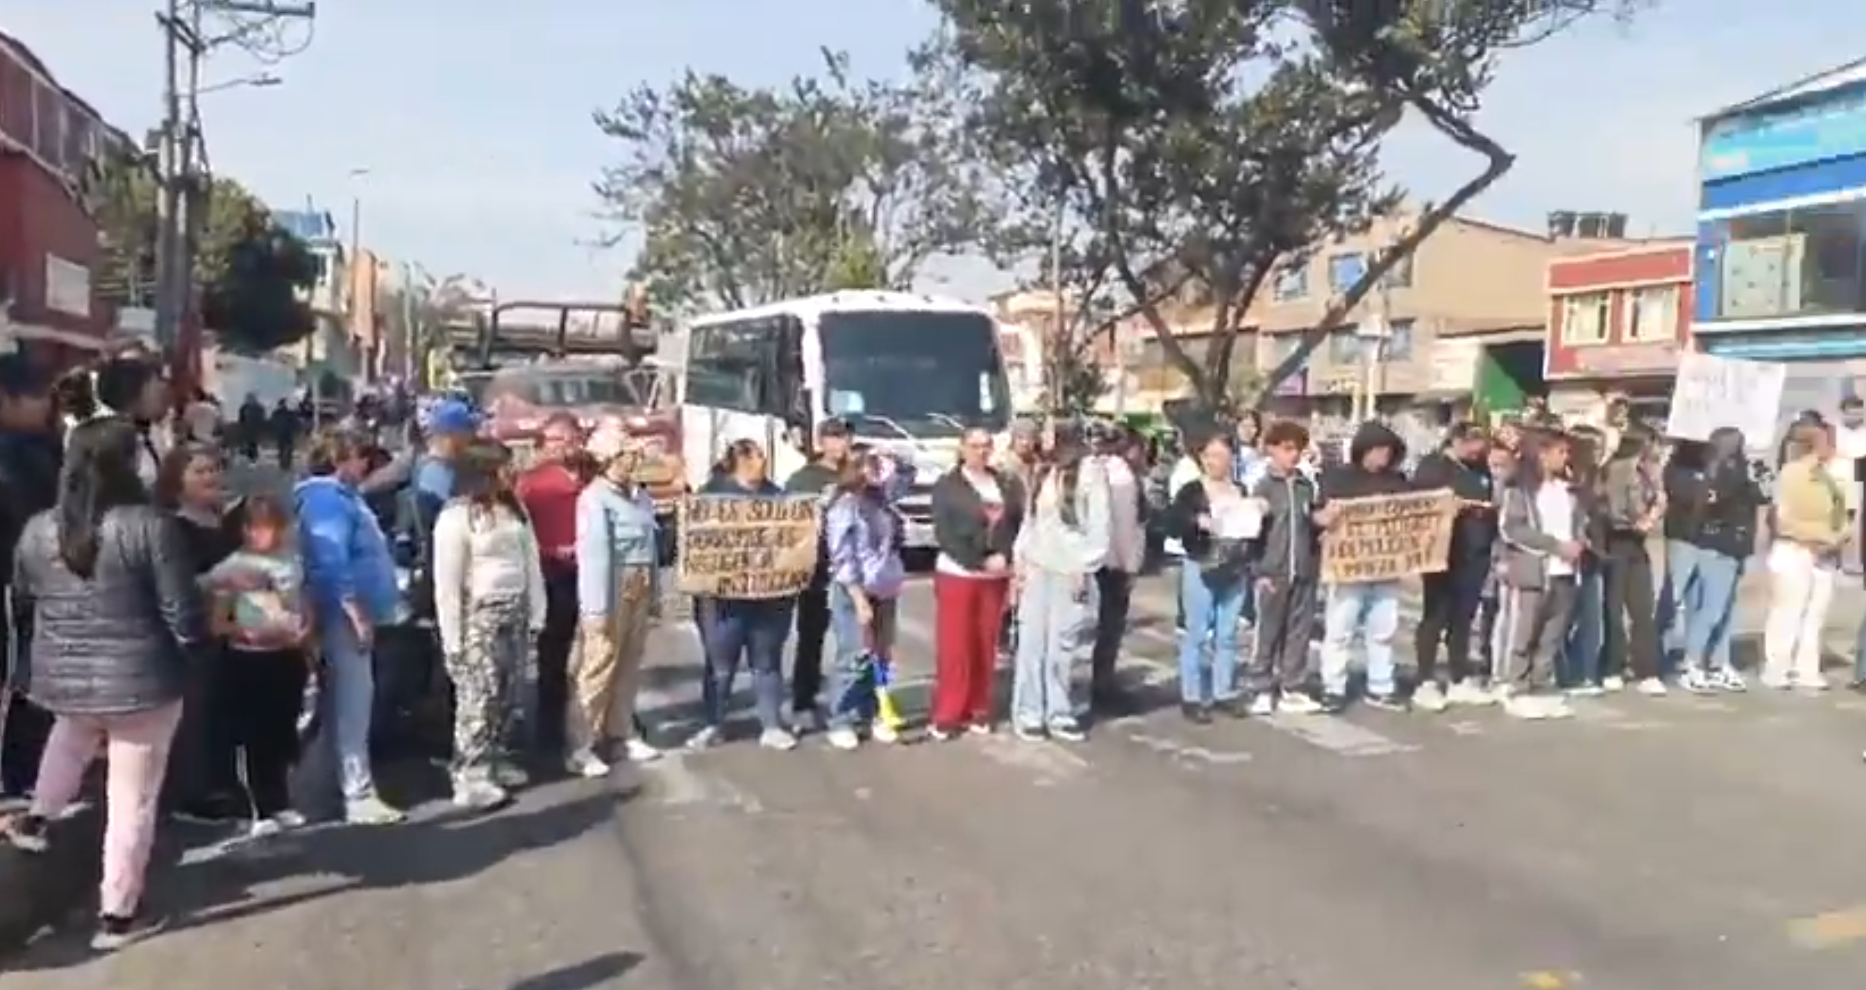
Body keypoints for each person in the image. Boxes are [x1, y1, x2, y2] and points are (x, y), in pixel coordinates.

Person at [2, 417, 209, 950]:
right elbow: (181, 612)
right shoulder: (148, 526)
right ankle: (117, 915)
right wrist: (191, 658)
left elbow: (26, 601)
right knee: (131, 799)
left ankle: (38, 816)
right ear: (127, 462)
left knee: (70, 737)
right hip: (142, 681)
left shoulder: (39, 529)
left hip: (65, 675)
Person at [295, 427, 405, 824]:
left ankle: (334, 783)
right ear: (342, 459)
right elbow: (330, 559)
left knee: (341, 700)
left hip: (344, 613)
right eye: (360, 457)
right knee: (352, 700)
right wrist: (355, 610)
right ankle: (356, 793)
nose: (365, 465)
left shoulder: (338, 498)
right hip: (341, 616)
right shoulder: (327, 499)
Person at [431, 442, 546, 809]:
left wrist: (536, 612)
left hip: (515, 611)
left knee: (507, 695)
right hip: (478, 615)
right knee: (477, 697)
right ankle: (470, 775)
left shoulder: (513, 509)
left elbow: (531, 561)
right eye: (501, 468)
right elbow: (447, 584)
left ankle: (495, 760)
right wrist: (453, 640)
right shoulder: (456, 517)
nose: (509, 474)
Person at [202, 495, 312, 837]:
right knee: (253, 735)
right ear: (246, 530)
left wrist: (306, 627)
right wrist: (245, 631)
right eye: (261, 527)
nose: (270, 535)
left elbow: (302, 602)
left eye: (275, 527)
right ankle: (259, 808)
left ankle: (280, 801)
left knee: (282, 730)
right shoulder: (234, 569)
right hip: (249, 662)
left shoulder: (290, 562)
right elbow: (217, 622)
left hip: (287, 655)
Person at [152, 442, 247, 825]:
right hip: (195, 631)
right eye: (200, 471)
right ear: (177, 481)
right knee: (197, 714)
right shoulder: (171, 526)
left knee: (226, 709)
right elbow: (176, 584)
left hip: (230, 628)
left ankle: (224, 782)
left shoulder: (224, 519)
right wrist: (220, 578)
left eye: (214, 469)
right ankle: (194, 793)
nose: (211, 477)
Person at [569, 420, 663, 776]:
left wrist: (654, 593)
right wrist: (596, 607)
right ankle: (582, 743)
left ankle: (620, 732)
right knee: (599, 664)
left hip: (639, 583)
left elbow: (650, 546)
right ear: (608, 460)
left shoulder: (639, 495)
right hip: (610, 584)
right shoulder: (595, 499)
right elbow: (595, 556)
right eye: (625, 455)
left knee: (628, 664)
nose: (632, 461)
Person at [692, 439, 797, 750]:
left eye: (763, 457)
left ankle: (772, 725)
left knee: (767, 662)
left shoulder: (777, 497)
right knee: (720, 665)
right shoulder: (712, 496)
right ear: (738, 462)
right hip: (723, 601)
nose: (761, 463)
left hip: (770, 599)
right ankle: (713, 723)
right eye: (755, 458)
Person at [1009, 422, 1110, 742]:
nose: (1043, 439)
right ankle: (1029, 712)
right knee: (1031, 644)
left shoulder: (1090, 473)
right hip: (1039, 567)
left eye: (1050, 434)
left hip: (1070, 572)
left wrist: (1086, 564)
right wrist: (1020, 560)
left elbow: (1099, 524)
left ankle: (1060, 711)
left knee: (1063, 648)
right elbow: (1031, 521)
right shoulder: (1041, 472)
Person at [929, 426, 1024, 739]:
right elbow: (945, 533)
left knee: (985, 645)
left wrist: (1006, 557)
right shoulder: (947, 486)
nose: (980, 452)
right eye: (974, 445)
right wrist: (979, 560)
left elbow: (1016, 524)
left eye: (986, 446)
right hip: (959, 574)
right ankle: (948, 713)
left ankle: (979, 709)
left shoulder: (1004, 483)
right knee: (956, 646)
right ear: (961, 448)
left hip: (995, 577)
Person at [1315, 422, 1410, 712]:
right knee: (1340, 629)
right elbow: (1319, 514)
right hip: (1349, 568)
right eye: (1379, 449)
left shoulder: (1397, 480)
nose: (1384, 456)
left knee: (1383, 629)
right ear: (1363, 450)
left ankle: (1381, 685)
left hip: (1385, 567)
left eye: (1389, 451)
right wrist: (1324, 518)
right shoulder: (1339, 479)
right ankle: (1333, 686)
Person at [0, 356, 61, 800]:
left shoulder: (40, 446)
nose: (44, 405)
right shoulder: (17, 454)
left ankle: (23, 774)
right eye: (36, 396)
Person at [1410, 422, 1499, 711]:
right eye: (1474, 445)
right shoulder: (1434, 466)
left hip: (1476, 552)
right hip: (1443, 552)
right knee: (1435, 615)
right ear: (1458, 441)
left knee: (1463, 618)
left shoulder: (1479, 469)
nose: (1479, 452)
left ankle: (1458, 675)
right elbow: (1419, 503)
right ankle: (1425, 677)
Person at [822, 451, 908, 750]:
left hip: (884, 587)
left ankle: (873, 711)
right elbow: (842, 557)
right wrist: (859, 598)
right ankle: (840, 718)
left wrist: (888, 458)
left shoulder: (882, 499)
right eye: (868, 468)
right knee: (855, 655)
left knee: (881, 656)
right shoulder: (844, 506)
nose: (876, 474)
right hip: (853, 591)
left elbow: (909, 474)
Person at [1165, 431, 1253, 722]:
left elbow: (1253, 527)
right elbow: (1172, 522)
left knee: (1227, 634)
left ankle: (1222, 691)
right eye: (1209, 455)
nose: (1215, 461)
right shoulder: (1192, 490)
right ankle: (1192, 695)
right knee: (1196, 633)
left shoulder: (1240, 489)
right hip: (1200, 563)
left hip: (1235, 566)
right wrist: (1196, 520)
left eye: (1221, 455)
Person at [1496, 430, 1583, 720]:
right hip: (1534, 571)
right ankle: (1516, 686)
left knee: (1552, 634)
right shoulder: (1520, 490)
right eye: (1560, 452)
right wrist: (1554, 546)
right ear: (1542, 454)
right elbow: (1512, 529)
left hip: (1566, 572)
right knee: (1525, 633)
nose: (1565, 457)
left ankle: (1542, 684)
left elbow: (1579, 522)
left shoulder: (1568, 489)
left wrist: (1579, 543)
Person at [515, 412, 588, 756]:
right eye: (555, 440)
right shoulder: (531, 482)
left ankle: (602, 723)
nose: (563, 446)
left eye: (569, 439)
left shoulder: (593, 477)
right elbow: (519, 534)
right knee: (553, 656)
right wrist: (551, 550)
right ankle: (549, 731)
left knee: (598, 653)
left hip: (591, 572)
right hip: (552, 574)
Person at [1239, 420, 1323, 715]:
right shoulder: (1262, 486)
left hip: (1302, 570)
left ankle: (1292, 686)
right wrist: (1258, 572)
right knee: (1268, 632)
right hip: (1271, 572)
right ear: (1272, 449)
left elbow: (1310, 524)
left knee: (1299, 632)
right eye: (1287, 449)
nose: (1293, 455)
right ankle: (1261, 686)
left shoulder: (1304, 486)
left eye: (1297, 449)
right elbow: (1251, 534)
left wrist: (1322, 520)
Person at [1671, 427, 1758, 693]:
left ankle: (1720, 663)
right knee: (1710, 609)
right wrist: (1725, 475)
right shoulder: (1713, 474)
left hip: (1738, 546)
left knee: (1728, 612)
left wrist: (1758, 477)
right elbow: (1711, 503)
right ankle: (1692, 663)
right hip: (1716, 545)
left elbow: (1758, 497)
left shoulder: (1742, 471)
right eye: (1733, 443)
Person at [1763, 420, 1848, 692]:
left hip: (1824, 554)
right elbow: (1782, 520)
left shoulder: (1829, 476)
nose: (1833, 447)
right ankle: (1777, 668)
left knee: (1815, 614)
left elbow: (1840, 513)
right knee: (1788, 611)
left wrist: (1838, 537)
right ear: (1812, 445)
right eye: (1827, 441)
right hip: (1794, 550)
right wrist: (1816, 538)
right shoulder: (1791, 474)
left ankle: (1806, 669)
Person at [782, 417, 855, 731]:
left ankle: (865, 698)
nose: (840, 445)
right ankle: (804, 700)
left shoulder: (860, 473)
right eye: (834, 438)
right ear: (821, 442)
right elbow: (790, 520)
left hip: (855, 574)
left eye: (845, 438)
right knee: (811, 639)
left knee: (861, 646)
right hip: (817, 570)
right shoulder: (804, 478)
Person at [1599, 427, 1667, 696]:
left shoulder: (1649, 473)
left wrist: (1657, 508)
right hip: (1616, 542)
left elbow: (1658, 501)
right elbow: (1614, 511)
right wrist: (1638, 520)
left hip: (1637, 545)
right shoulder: (1618, 471)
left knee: (1642, 607)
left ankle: (1647, 670)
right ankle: (1612, 666)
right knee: (1614, 609)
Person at [1088, 420, 1145, 714]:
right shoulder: (1122, 475)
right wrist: (1131, 564)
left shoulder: (1086, 469)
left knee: (1078, 628)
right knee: (1109, 626)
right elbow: (1127, 526)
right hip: (1112, 562)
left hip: (1085, 559)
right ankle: (1102, 685)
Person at [90, 357, 170, 484]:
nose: (161, 391)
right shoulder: (108, 444)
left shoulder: (152, 433)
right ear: (135, 393)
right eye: (153, 387)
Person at [269, 399, 299, 470]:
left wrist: (273, 431)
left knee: (281, 448)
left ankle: (282, 464)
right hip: (288, 433)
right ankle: (287, 463)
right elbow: (295, 423)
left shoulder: (275, 413)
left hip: (280, 433)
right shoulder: (289, 413)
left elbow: (272, 423)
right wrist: (295, 429)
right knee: (288, 448)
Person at [237, 393, 265, 461]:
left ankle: (252, 454)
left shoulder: (259, 407)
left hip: (254, 428)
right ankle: (250, 453)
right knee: (250, 442)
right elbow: (241, 418)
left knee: (252, 442)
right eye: (248, 398)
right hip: (248, 427)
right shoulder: (244, 407)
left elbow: (262, 417)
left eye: (250, 398)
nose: (249, 400)